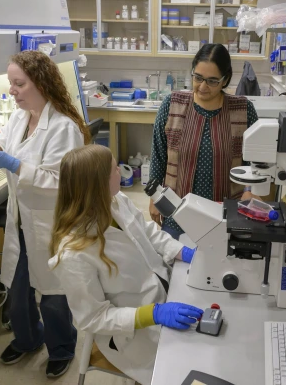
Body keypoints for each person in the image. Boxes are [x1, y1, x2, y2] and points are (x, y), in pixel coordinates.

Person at [0, 50, 90, 378]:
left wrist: (13, 164)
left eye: (19, 84)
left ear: (42, 83)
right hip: (21, 221)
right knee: (17, 292)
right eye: (11, 83)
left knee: (52, 294)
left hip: (51, 223)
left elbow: (61, 180)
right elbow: (8, 149)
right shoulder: (20, 118)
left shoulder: (63, 127)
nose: (12, 90)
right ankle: (28, 338)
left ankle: (61, 347)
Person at [48, 144, 202, 385]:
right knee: (184, 370)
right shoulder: (73, 254)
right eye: (113, 169)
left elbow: (148, 231)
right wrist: (152, 314)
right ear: (97, 184)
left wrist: (181, 251)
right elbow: (93, 318)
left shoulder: (116, 201)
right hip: (131, 335)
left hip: (165, 290)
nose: (120, 171)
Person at [149, 43, 260, 239]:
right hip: (177, 214)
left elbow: (257, 162)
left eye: (212, 81)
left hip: (227, 216)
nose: (202, 86)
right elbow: (158, 156)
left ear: (225, 80)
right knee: (177, 266)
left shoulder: (243, 111)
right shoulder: (172, 105)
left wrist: (250, 191)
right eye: (198, 77)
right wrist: (155, 198)